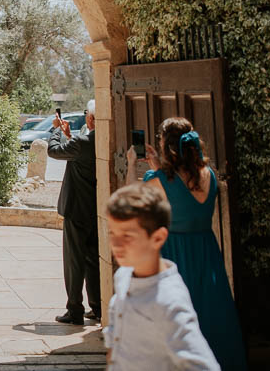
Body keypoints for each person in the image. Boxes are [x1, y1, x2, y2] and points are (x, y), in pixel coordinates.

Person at [127, 117, 246, 371]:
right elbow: (183, 190)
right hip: (206, 254)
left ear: (166, 146)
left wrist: (130, 164)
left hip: (174, 256)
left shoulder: (159, 181)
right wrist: (158, 167)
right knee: (209, 317)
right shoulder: (209, 175)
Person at [104, 183, 219, 371]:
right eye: (112, 233)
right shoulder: (123, 275)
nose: (116, 244)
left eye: (127, 236)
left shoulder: (169, 301)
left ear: (158, 238)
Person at [47, 105, 100, 325]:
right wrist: (70, 136)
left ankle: (74, 309)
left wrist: (57, 131)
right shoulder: (100, 141)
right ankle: (98, 307)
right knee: (94, 261)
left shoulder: (83, 143)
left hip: (76, 209)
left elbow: (54, 151)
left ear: (91, 118)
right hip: (95, 210)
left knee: (74, 261)